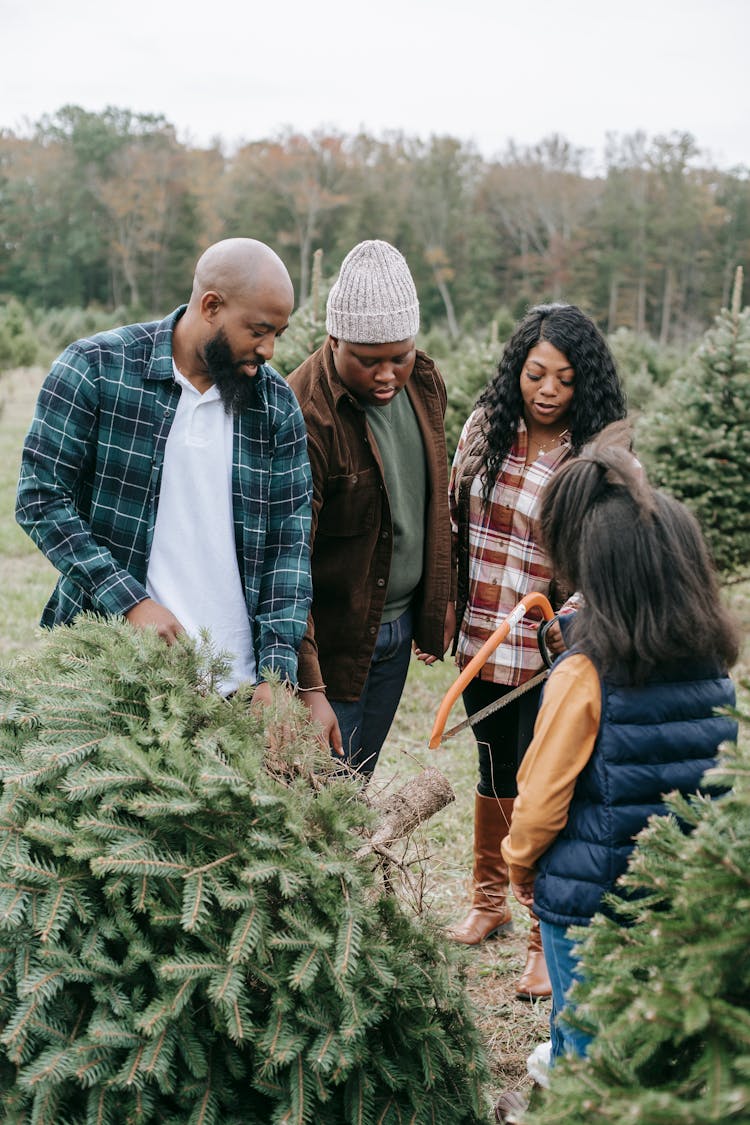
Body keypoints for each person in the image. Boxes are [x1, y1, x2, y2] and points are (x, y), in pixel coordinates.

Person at [499, 422, 738, 1080]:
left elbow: (541, 802)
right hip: (682, 897)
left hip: (588, 903)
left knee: (586, 1042)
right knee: (654, 1049)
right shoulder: (714, 668)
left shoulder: (583, 674)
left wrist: (519, 864)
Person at [16, 238, 312, 704]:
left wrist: (275, 675)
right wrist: (130, 602)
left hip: (238, 687)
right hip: (110, 670)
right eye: (258, 330)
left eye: (279, 332)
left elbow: (288, 549)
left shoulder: (275, 407)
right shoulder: (96, 369)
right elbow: (39, 498)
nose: (270, 349)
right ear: (211, 305)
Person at [447, 303, 627, 1001]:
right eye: (535, 374)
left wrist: (572, 626)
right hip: (480, 632)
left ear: (586, 384)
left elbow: (604, 556)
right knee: (491, 762)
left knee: (539, 783)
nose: (547, 390)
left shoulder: (597, 456)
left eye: (564, 378)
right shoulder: (485, 427)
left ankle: (540, 936)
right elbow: (457, 525)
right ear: (517, 370)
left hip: (549, 647)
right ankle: (487, 899)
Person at [287, 239, 455, 778]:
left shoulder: (423, 383)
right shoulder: (306, 413)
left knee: (357, 782)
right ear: (333, 339)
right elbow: (287, 561)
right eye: (368, 361)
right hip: (333, 643)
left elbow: (432, 501)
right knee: (316, 793)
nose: (387, 375)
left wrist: (439, 601)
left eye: (398, 357)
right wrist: (309, 685)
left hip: (398, 628)